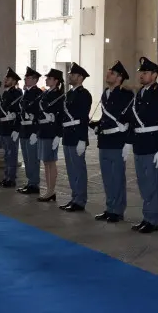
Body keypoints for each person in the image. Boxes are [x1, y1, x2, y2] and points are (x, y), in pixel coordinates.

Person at [127, 57, 158, 234]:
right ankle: (146, 217)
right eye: (141, 72)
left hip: (153, 144)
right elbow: (134, 121)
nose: (141, 75)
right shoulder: (140, 93)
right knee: (143, 183)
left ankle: (152, 220)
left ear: (154, 75)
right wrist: (129, 142)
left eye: (145, 73)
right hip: (140, 143)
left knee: (152, 183)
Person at [92, 61, 134, 223]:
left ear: (119, 77)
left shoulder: (126, 95)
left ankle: (117, 210)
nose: (107, 74)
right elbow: (106, 117)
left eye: (111, 73)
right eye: (108, 72)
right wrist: (98, 126)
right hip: (105, 140)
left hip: (117, 141)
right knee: (107, 177)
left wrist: (128, 142)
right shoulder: (105, 94)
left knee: (117, 177)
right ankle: (110, 207)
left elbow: (130, 119)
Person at [59, 63, 92, 212]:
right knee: (71, 169)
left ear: (80, 77)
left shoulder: (84, 94)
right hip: (67, 135)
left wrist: (82, 139)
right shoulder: (70, 93)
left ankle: (80, 200)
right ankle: (74, 197)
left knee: (78, 169)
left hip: (77, 135)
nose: (69, 76)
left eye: (72, 75)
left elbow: (83, 118)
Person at [36, 69, 65, 202]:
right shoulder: (46, 93)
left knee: (51, 162)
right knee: (46, 162)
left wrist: (58, 134)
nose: (46, 80)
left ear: (56, 81)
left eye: (49, 78)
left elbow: (61, 117)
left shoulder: (59, 95)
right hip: (43, 130)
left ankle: (51, 190)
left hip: (51, 132)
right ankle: (48, 189)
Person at [17, 67, 43, 195]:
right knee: (27, 158)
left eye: (27, 78)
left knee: (33, 158)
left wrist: (35, 131)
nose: (25, 79)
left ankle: (34, 183)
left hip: (32, 129)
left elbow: (39, 113)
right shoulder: (26, 93)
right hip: (24, 129)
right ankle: (30, 182)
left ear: (34, 79)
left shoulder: (38, 93)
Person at [0, 67, 22, 188]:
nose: (5, 80)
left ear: (15, 81)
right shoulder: (5, 92)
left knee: (12, 154)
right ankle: (6, 176)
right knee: (6, 154)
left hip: (11, 128)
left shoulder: (17, 93)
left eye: (8, 78)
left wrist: (16, 129)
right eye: (6, 78)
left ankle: (11, 178)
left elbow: (19, 113)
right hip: (4, 127)